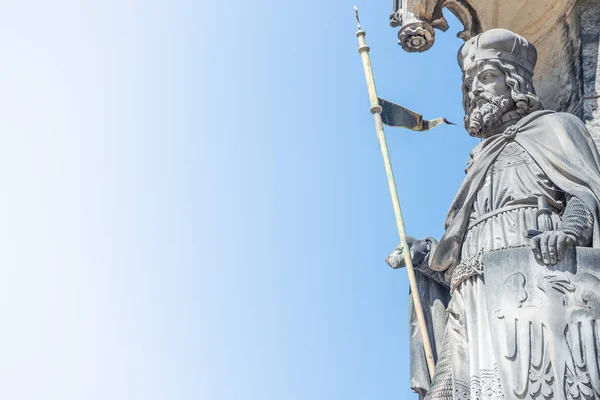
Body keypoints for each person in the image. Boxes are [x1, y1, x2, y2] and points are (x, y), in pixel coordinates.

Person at [399, 29, 600, 400]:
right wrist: (427, 257)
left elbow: (586, 194)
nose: (475, 89)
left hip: (531, 283)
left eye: (486, 77)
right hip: (469, 293)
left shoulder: (556, 128)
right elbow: (457, 245)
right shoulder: (477, 160)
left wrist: (568, 231)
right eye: (469, 83)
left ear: (514, 81)